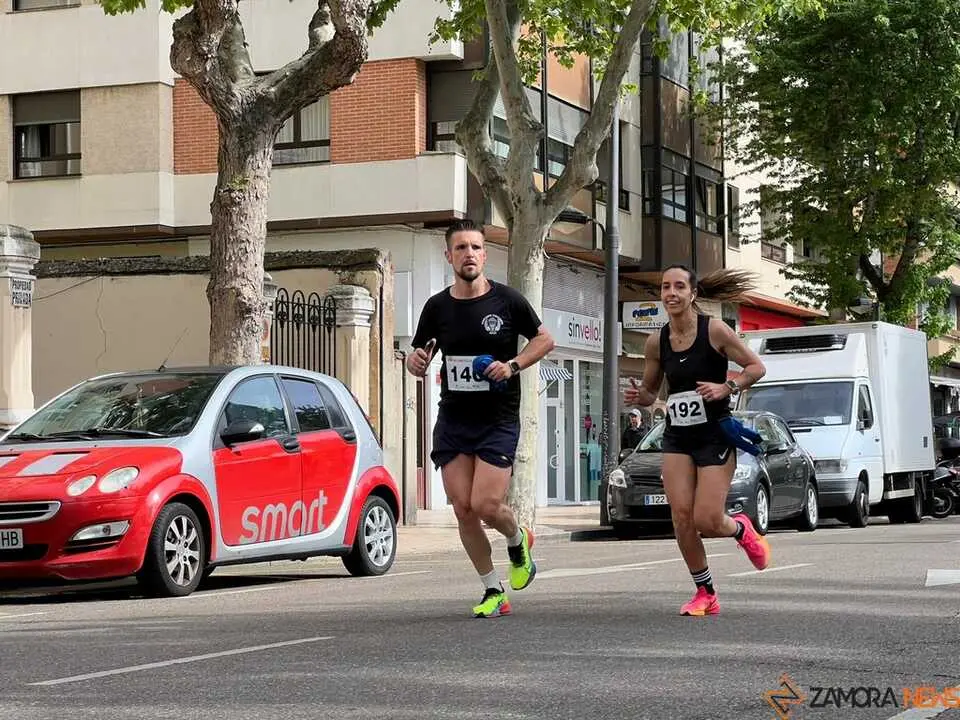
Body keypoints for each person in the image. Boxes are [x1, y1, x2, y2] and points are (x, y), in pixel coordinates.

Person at [406, 218, 556, 618]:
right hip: (454, 419)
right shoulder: (437, 307)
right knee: (463, 508)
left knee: (486, 504)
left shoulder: (507, 301)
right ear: (449, 256)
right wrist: (414, 362)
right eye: (461, 248)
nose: (468, 254)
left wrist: (513, 365)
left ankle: (518, 539)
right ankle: (493, 589)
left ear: (485, 255)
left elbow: (545, 339)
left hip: (497, 419)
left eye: (475, 247)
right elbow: (420, 355)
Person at [623, 264, 769, 617]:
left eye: (678, 287)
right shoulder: (656, 341)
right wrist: (640, 397)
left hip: (714, 433)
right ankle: (706, 592)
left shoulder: (714, 330)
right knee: (681, 518)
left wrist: (727, 387)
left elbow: (756, 367)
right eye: (665, 287)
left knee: (707, 519)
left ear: (693, 294)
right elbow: (651, 391)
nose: (671, 293)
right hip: (677, 436)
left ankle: (741, 528)